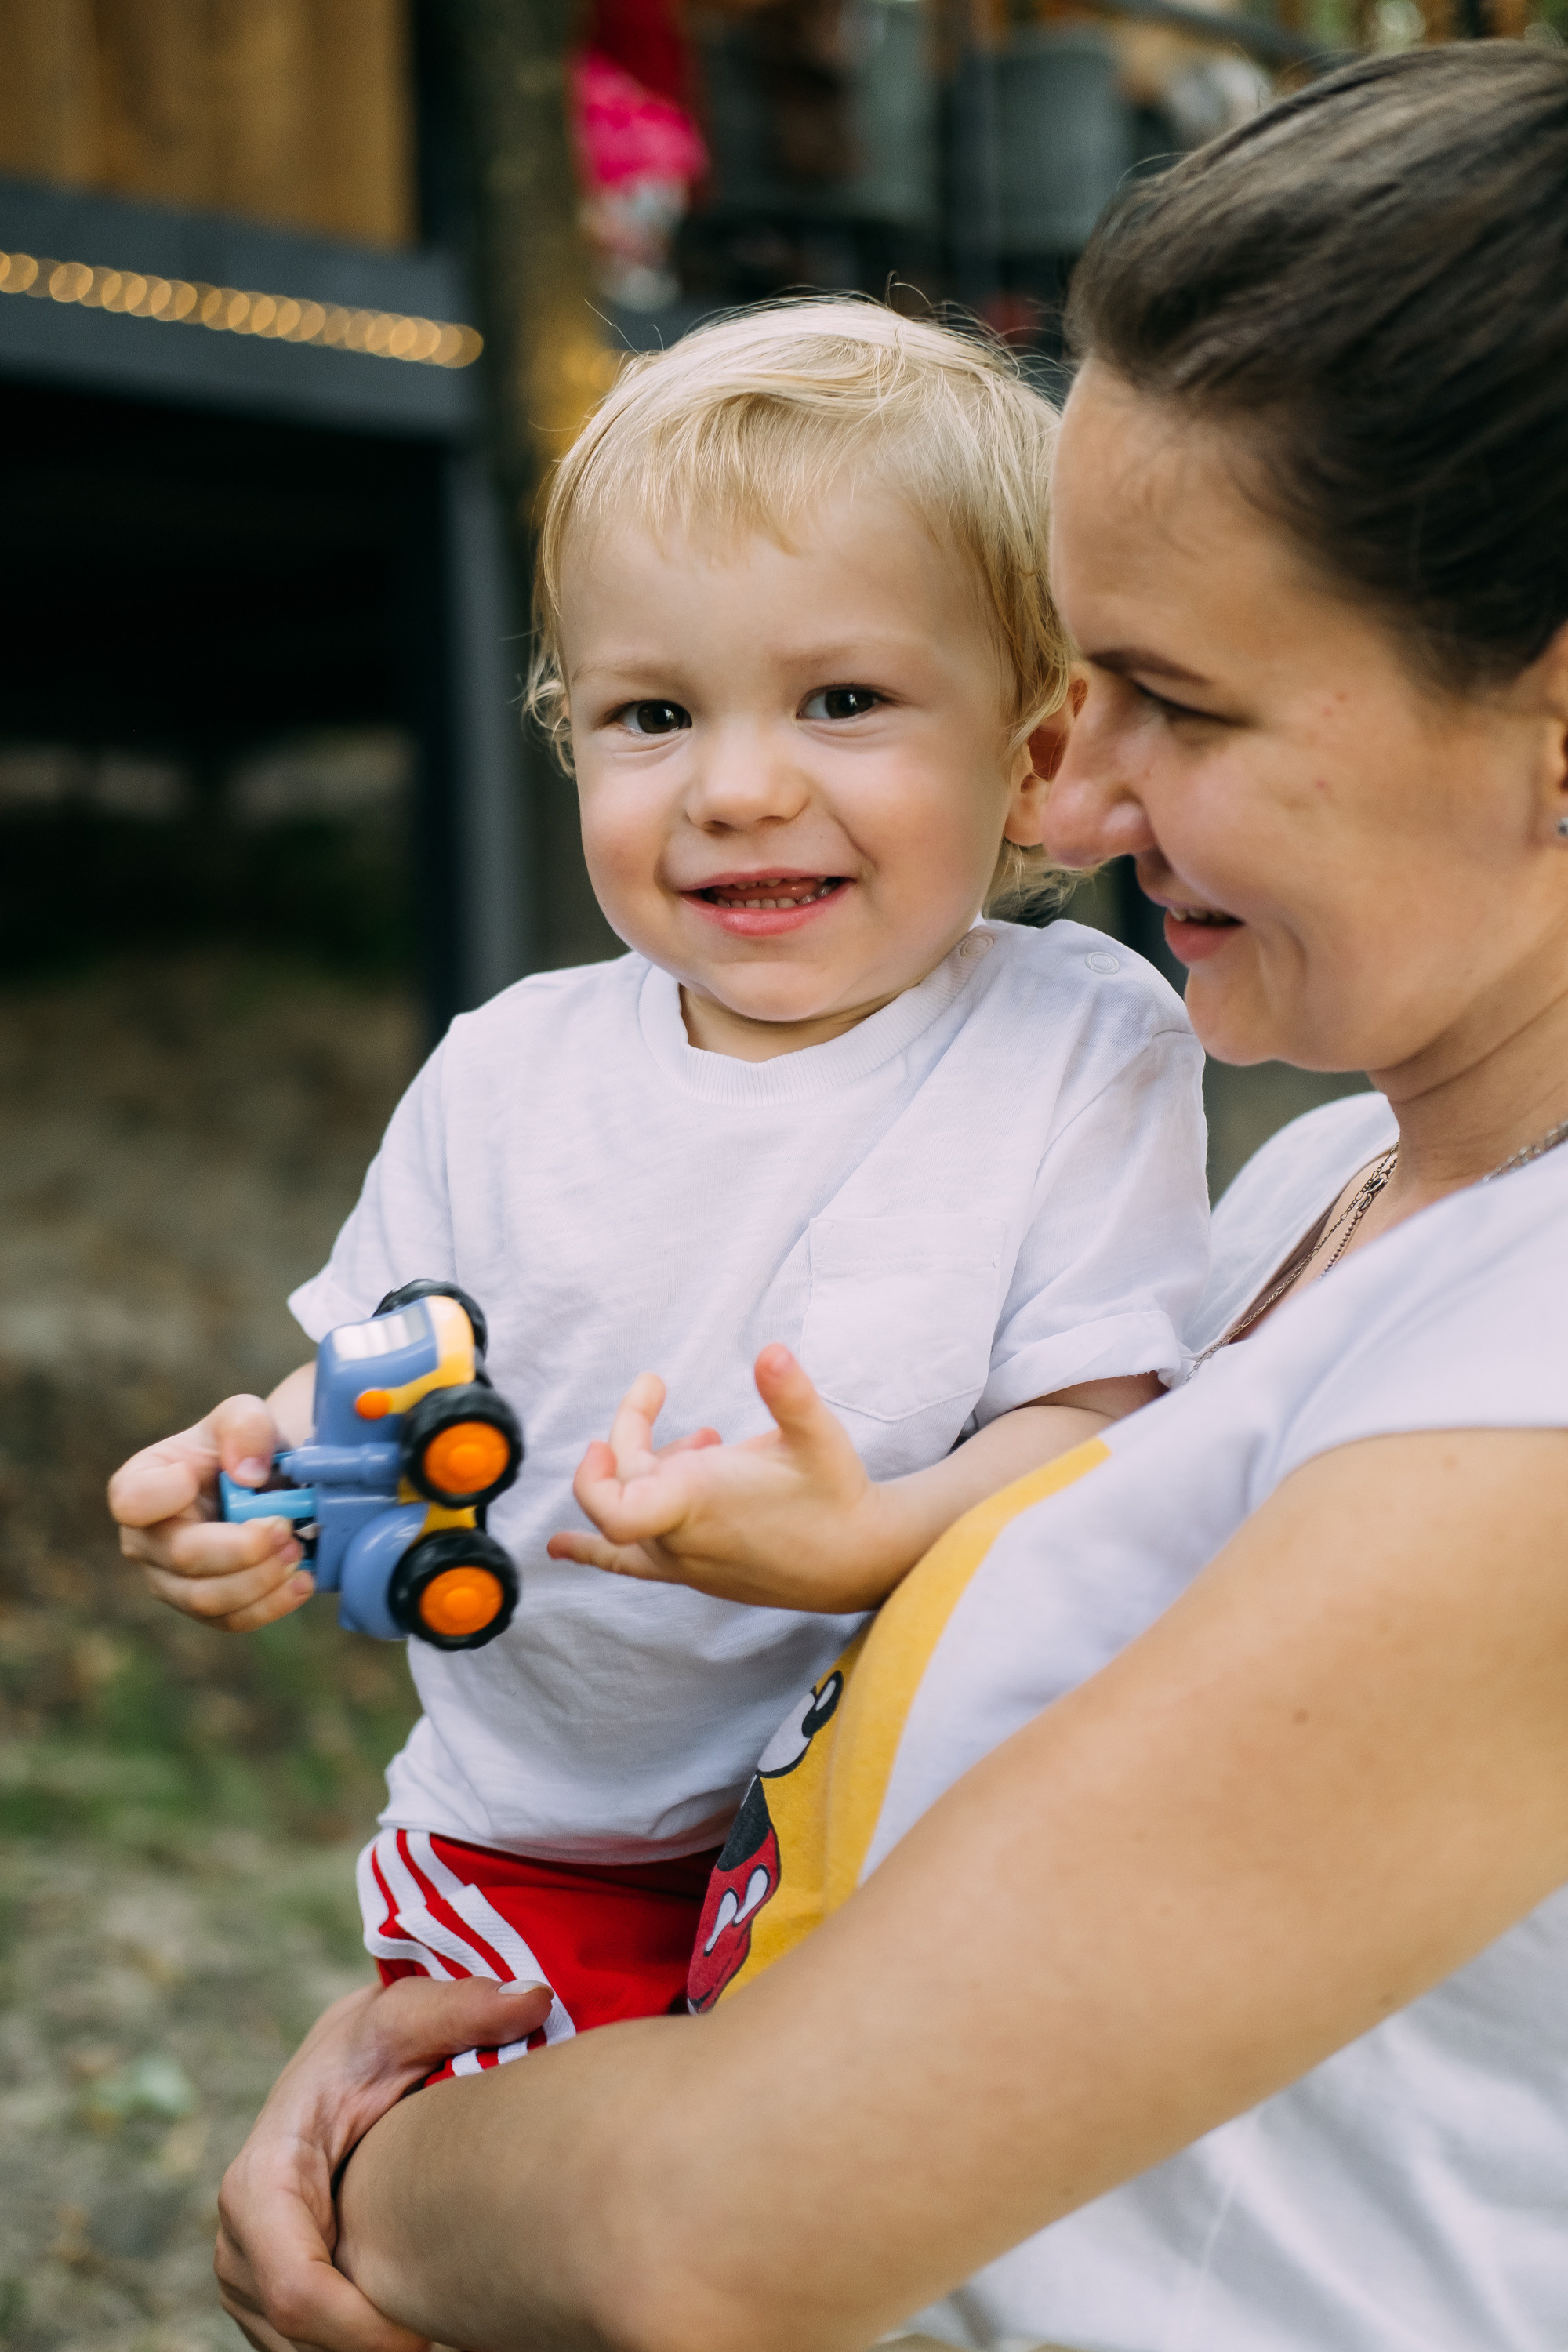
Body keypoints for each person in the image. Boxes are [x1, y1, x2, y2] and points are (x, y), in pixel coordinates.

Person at [208, 43, 1568, 2352]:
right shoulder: (1330, 1189)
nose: (1080, 790)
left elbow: (706, 2236)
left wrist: (372, 2169)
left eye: (1177, 703)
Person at [108, 300, 1209, 2074]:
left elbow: (1105, 1422)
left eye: (841, 701)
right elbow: (384, 1384)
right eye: (652, 713)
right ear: (572, 734)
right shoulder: (507, 1070)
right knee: (520, 2251)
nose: (738, 786)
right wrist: (256, 1483)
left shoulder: (1078, 1041)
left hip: (881, 1825)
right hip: (521, 1832)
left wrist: (862, 1542)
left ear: (1034, 750)